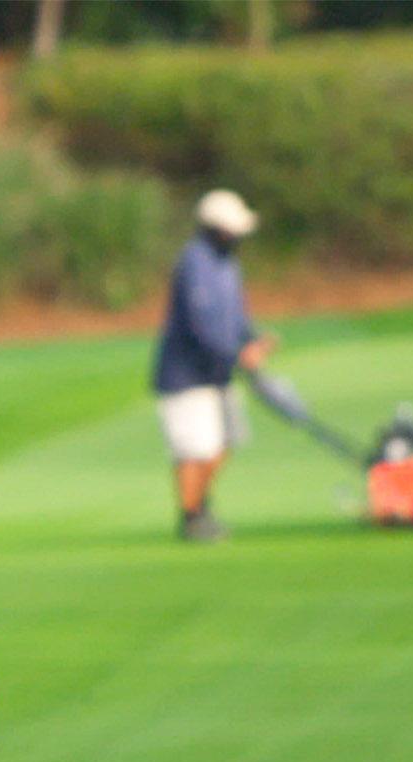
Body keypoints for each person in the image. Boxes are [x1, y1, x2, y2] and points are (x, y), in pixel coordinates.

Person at [152, 189, 276, 542]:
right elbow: (200, 325)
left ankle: (200, 506)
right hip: (187, 376)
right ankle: (191, 517)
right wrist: (236, 354)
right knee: (196, 448)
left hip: (218, 374)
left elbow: (235, 318)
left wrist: (251, 340)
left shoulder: (227, 265)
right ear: (217, 229)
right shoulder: (195, 263)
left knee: (225, 442)